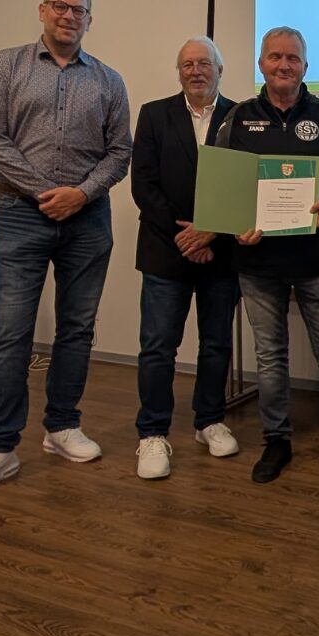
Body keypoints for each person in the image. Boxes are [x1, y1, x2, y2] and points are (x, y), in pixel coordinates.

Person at [0, 0, 132, 500]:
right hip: (19, 214)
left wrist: (81, 194)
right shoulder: (6, 66)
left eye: (80, 10)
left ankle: (62, 426)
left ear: (90, 19)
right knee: (11, 333)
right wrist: (48, 192)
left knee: (77, 329)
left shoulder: (109, 80)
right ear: (43, 10)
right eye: (60, 7)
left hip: (88, 220)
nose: (69, 16)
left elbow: (120, 151)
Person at [214, 26, 319, 487]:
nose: (284, 65)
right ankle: (276, 441)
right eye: (275, 57)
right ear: (261, 64)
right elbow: (220, 188)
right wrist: (235, 224)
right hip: (259, 266)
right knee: (270, 358)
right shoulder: (237, 119)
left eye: (293, 58)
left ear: (305, 66)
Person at [129, 37, 241, 479]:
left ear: (220, 70)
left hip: (222, 251)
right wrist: (188, 237)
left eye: (204, 64)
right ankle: (152, 432)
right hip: (165, 249)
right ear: (179, 72)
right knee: (158, 347)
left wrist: (211, 232)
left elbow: (244, 185)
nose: (196, 71)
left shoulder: (241, 116)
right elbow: (144, 185)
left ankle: (209, 421)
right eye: (187, 64)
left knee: (216, 344)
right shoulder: (154, 115)